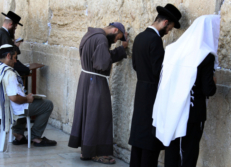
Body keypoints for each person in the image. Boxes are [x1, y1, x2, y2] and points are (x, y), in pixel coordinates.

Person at [152, 15, 220, 167]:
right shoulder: (205, 55)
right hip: (192, 112)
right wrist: (214, 81)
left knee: (172, 149)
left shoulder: (175, 49)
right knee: (188, 153)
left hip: (172, 108)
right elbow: (208, 89)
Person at [128, 4, 182, 167]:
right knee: (150, 138)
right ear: (165, 22)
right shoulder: (155, 41)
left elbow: (136, 65)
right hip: (152, 94)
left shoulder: (139, 37)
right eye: (170, 28)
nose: (168, 32)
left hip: (141, 91)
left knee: (139, 136)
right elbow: (159, 72)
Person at [68, 22, 128, 164]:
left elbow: (98, 57)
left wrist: (120, 49)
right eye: (117, 37)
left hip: (86, 79)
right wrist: (120, 50)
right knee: (98, 115)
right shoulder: (101, 39)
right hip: (96, 80)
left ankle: (86, 150)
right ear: (115, 30)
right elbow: (102, 64)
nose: (115, 41)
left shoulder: (90, 34)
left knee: (88, 114)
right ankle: (96, 153)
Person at [0, 44, 57, 147]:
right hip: (11, 108)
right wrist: (27, 99)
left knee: (23, 101)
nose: (16, 61)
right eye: (15, 57)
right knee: (47, 105)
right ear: (8, 56)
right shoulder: (8, 73)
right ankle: (36, 137)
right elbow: (14, 98)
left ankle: (19, 134)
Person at [0, 11, 29, 76]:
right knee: (26, 70)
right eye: (14, 28)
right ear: (10, 25)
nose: (14, 30)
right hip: (4, 67)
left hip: (0, 65)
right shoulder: (4, 34)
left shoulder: (0, 32)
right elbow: (10, 53)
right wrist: (16, 46)